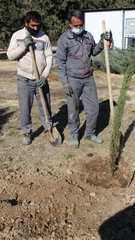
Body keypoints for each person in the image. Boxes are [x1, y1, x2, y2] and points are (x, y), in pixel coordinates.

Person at [56, 10, 112, 149]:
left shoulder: (88, 36)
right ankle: (74, 135)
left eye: (80, 25)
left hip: (88, 79)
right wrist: (65, 82)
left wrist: (102, 41)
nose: (78, 28)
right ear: (70, 24)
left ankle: (89, 133)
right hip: (72, 80)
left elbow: (94, 51)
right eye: (75, 26)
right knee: (73, 110)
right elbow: (60, 62)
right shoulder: (64, 39)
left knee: (94, 108)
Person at [7, 11, 53, 145]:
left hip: (41, 79)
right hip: (24, 79)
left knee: (46, 106)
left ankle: (48, 128)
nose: (35, 28)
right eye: (32, 25)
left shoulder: (44, 37)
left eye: (38, 25)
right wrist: (23, 46)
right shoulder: (17, 35)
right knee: (25, 108)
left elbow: (49, 56)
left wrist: (44, 75)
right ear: (26, 23)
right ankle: (27, 132)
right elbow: (10, 56)